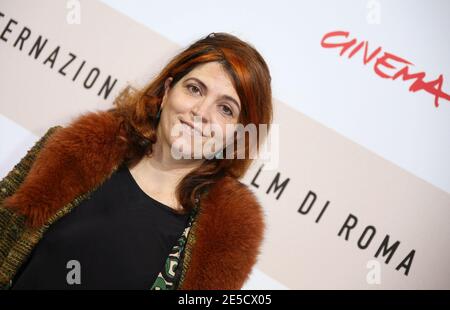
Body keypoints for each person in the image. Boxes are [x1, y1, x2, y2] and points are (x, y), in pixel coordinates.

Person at [0, 32, 273, 290]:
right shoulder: (71, 151)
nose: (201, 112)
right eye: (194, 89)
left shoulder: (225, 238)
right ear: (167, 91)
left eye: (225, 109)